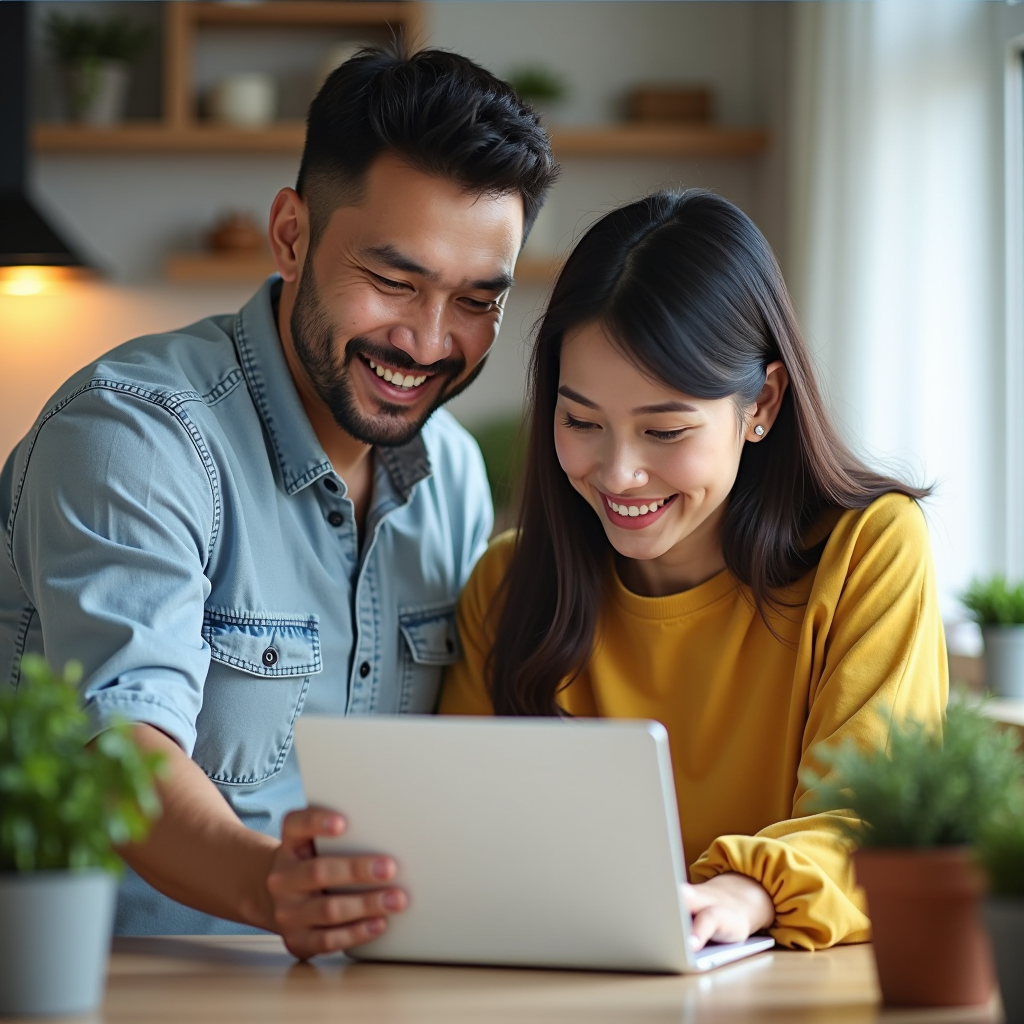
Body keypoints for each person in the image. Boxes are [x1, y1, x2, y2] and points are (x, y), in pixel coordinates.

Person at [0, 44, 557, 957]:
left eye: (475, 301)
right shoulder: (135, 437)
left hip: (356, 985)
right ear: (291, 235)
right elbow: (121, 745)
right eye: (394, 281)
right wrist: (273, 889)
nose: (428, 342)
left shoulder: (452, 473)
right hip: (114, 984)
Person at [441, 189, 948, 953]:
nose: (619, 473)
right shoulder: (509, 585)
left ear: (762, 404)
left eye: (665, 430)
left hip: (788, 986)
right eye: (581, 421)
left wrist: (745, 894)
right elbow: (458, 833)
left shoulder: (867, 551)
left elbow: (875, 820)